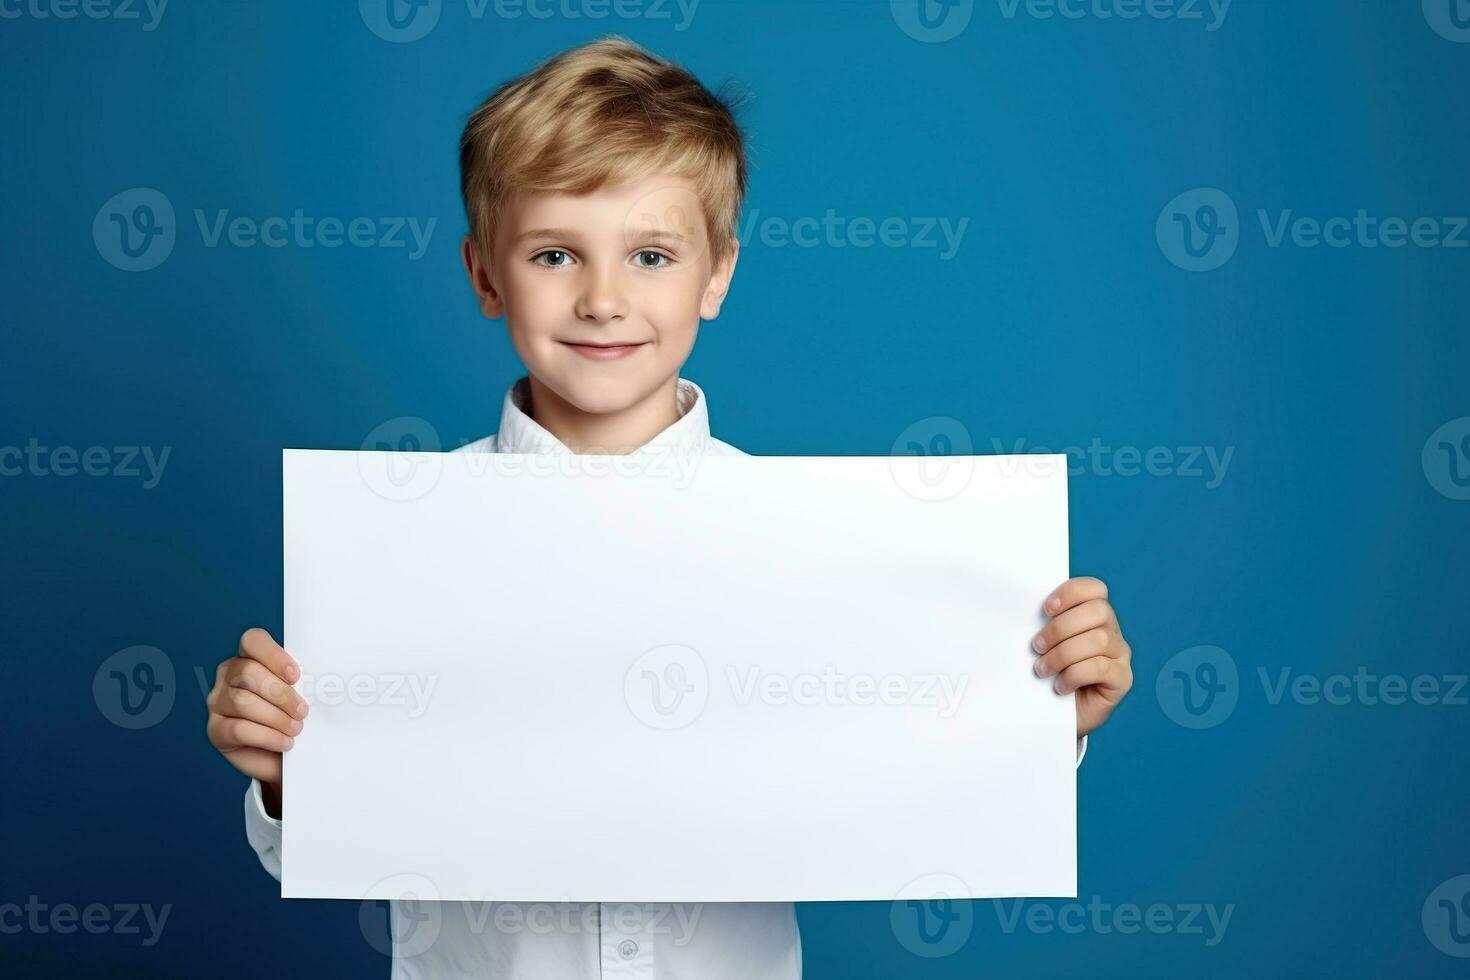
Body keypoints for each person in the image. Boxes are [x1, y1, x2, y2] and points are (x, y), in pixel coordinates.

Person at [205, 35, 1134, 978]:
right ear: (486, 275)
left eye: (651, 255)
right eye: (556, 253)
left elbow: (898, 774)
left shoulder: (812, 544)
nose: (604, 300)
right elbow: (319, 845)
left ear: (717, 274)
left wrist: (1040, 719)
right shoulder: (399, 544)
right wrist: (287, 777)